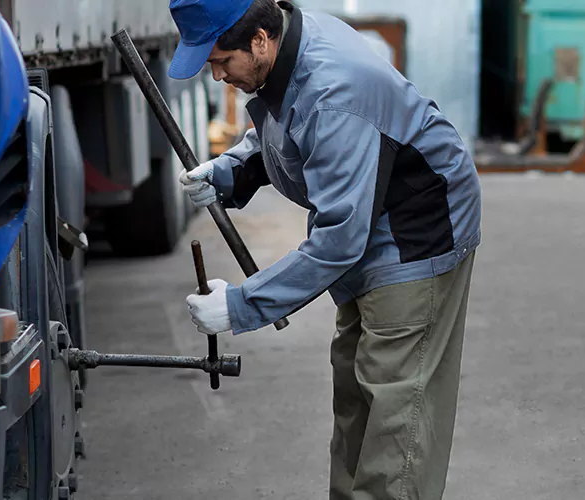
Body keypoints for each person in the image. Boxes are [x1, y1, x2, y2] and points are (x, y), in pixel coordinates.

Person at [167, 0, 483, 498]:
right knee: (356, 394)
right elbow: (289, 123)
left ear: (258, 41)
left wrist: (240, 305)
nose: (217, 77)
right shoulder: (287, 44)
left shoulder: (336, 88)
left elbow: (338, 239)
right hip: (367, 216)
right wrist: (233, 170)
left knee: (398, 412)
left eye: (221, 62)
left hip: (415, 230)